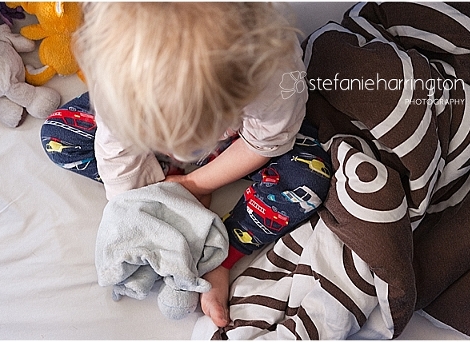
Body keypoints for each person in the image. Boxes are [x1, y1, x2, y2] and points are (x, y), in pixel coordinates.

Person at [39, 3, 332, 328]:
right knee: (58, 135)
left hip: (241, 143)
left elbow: (264, 143)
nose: (179, 156)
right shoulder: (119, 70)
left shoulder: (272, 73)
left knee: (309, 173)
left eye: (185, 145)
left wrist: (197, 184)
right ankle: (160, 168)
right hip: (158, 114)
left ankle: (222, 255)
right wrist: (141, 206)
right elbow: (115, 148)